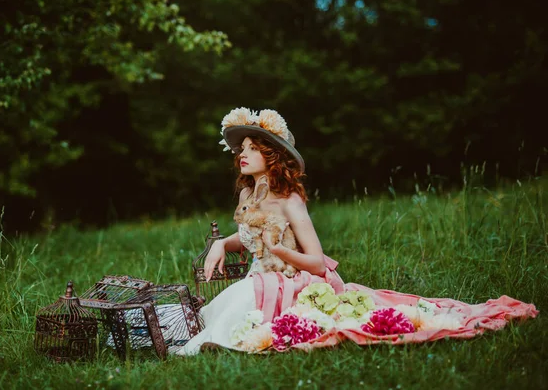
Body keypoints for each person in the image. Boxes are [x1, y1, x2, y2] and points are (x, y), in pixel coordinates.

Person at [176, 108, 538, 356]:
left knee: (240, 303)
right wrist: (222, 243)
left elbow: (317, 263)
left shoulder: (290, 201)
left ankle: (217, 340)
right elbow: (252, 241)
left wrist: (281, 252)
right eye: (242, 147)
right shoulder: (246, 194)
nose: (243, 152)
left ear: (272, 156)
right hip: (260, 276)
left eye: (254, 148)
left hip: (293, 278)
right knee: (226, 305)